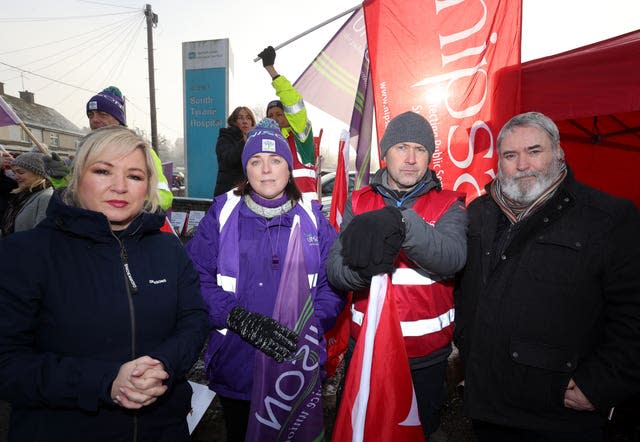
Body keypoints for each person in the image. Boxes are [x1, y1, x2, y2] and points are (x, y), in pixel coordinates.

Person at [0, 126, 209, 441]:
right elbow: (8, 362)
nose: (120, 186)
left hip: (164, 429)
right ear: (78, 177)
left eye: (135, 176)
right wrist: (106, 382)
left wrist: (162, 365)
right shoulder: (25, 253)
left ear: (148, 187)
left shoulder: (168, 249)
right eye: (103, 171)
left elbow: (193, 321)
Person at [454, 111, 640, 442]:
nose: (522, 164)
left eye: (534, 151)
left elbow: (633, 314)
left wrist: (601, 383)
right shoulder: (479, 214)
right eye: (511, 155)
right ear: (499, 163)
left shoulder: (608, 217)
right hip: (487, 409)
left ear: (558, 152)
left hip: (559, 417)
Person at [187, 118, 344, 441]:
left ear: (288, 168)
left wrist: (307, 326)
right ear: (246, 170)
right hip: (238, 363)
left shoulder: (314, 219)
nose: (267, 170)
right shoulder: (222, 213)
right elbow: (196, 277)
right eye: (256, 161)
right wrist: (237, 317)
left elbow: (334, 283)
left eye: (275, 161)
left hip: (296, 365)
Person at [326, 111, 468, 439]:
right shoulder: (359, 202)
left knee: (417, 433)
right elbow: (335, 270)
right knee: (360, 431)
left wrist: (402, 224)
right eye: (401, 147)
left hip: (425, 360)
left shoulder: (449, 204)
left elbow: (452, 258)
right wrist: (368, 271)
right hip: (366, 348)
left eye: (420, 149)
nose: (410, 158)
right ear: (385, 153)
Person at [86, 86, 173, 211]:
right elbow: (75, 192)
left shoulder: (141, 151)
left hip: (130, 227)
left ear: (118, 119)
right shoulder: (87, 153)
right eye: (91, 115)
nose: (94, 120)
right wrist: (60, 180)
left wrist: (135, 208)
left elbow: (164, 195)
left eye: (102, 114)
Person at [258, 46, 318, 198]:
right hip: (278, 211)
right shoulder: (269, 145)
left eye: (279, 114)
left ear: (288, 116)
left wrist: (271, 69)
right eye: (270, 115)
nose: (274, 118)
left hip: (302, 211)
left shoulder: (300, 136)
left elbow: (292, 102)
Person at [0, 151, 53, 236]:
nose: (16, 177)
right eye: (14, 173)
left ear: (38, 173)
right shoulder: (23, 194)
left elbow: (41, 236)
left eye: (21, 172)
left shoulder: (46, 197)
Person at [213, 106, 256, 196]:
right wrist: (243, 141)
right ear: (234, 121)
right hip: (229, 193)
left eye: (248, 118)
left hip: (250, 192)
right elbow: (227, 160)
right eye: (240, 118)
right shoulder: (225, 137)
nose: (245, 121)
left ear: (252, 122)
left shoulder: (256, 140)